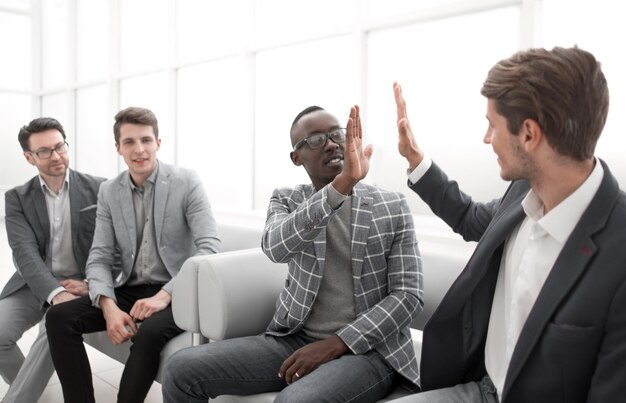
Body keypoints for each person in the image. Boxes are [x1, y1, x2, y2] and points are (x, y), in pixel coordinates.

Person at [390, 46, 626, 403]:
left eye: (492, 124)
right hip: (482, 390)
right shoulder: (522, 189)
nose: (487, 138)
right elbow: (471, 219)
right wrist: (416, 161)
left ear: (529, 135)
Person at [162, 105, 422, 402]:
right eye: (315, 140)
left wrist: (337, 343)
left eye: (337, 133)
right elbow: (276, 248)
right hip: (294, 339)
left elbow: (408, 296)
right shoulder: (287, 199)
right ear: (296, 157)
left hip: (371, 350)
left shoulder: (391, 205)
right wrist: (341, 185)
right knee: (181, 369)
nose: (333, 143)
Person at [45, 106, 221, 403]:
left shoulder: (187, 182)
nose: (139, 150)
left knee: (149, 333)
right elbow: (99, 255)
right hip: (131, 288)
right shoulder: (110, 191)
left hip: (181, 291)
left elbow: (209, 248)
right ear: (118, 148)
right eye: (129, 142)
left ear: (158, 143)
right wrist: (108, 305)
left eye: (146, 140)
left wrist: (164, 296)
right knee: (59, 317)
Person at [0, 118, 104, 403]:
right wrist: (55, 292)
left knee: (54, 326)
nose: (56, 156)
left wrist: (90, 284)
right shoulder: (17, 198)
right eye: (44, 151)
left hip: (82, 285)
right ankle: (29, 387)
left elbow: (112, 248)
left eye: (60, 146)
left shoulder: (100, 189)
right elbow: (24, 252)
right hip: (34, 285)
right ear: (28, 157)